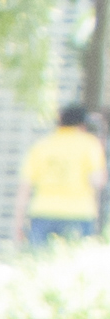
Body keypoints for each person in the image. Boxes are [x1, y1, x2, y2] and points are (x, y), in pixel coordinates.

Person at [25, 103, 104, 251]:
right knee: (74, 266)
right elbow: (97, 181)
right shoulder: (90, 144)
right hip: (79, 212)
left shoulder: (42, 145)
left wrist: (18, 223)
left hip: (43, 211)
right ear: (83, 124)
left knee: (38, 264)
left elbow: (25, 187)